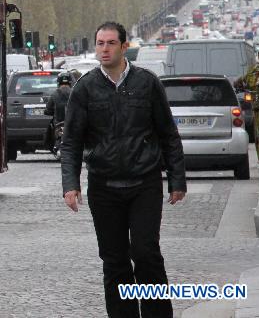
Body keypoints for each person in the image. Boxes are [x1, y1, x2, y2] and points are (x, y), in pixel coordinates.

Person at [61, 21, 186, 318]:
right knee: (114, 260)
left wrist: (177, 179)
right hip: (104, 186)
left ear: (124, 46)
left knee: (145, 254)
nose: (104, 49)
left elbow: (168, 133)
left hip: (145, 182)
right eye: (100, 43)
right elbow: (71, 142)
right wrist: (70, 183)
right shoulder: (85, 88)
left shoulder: (147, 82)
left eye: (110, 43)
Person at [235, 48, 259, 164]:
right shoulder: (254, 69)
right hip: (255, 106)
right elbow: (242, 80)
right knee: (258, 133)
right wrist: (239, 85)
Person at [44, 71, 73, 158]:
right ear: (70, 82)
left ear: (58, 82)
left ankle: (55, 148)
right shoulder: (75, 92)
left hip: (58, 123)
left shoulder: (54, 94)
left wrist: (48, 111)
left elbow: (48, 110)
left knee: (49, 133)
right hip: (73, 122)